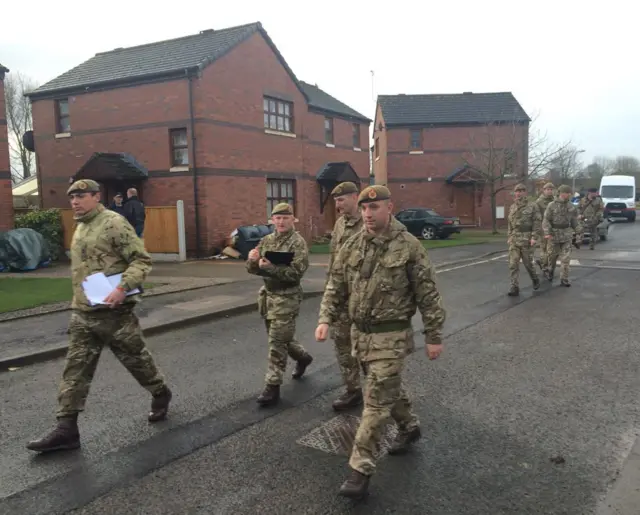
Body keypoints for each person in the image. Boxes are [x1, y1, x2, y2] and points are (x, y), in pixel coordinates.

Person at [315, 185, 446, 499]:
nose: (368, 215)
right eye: (364, 209)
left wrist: (434, 336)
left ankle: (359, 469)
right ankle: (410, 427)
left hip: (392, 335)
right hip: (361, 335)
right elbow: (336, 284)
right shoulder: (353, 244)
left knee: (374, 401)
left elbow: (428, 295)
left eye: (374, 208)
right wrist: (325, 318)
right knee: (386, 387)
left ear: (390, 207)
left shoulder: (409, 247)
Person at [27, 179, 172, 454]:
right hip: (83, 313)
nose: (75, 202)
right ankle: (66, 429)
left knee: (138, 362)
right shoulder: (81, 226)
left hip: (115, 314)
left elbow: (141, 260)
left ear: (96, 196)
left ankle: (160, 392)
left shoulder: (113, 223)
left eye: (81, 196)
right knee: (75, 371)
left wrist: (122, 288)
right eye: (72, 198)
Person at [247, 202, 314, 407]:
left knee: (277, 343)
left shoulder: (297, 243)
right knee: (282, 338)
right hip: (268, 297)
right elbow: (254, 269)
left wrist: (272, 268)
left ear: (293, 219)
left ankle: (272, 387)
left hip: (288, 297)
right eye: (278, 218)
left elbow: (296, 273)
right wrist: (252, 260)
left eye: (286, 217)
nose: (281, 221)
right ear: (272, 220)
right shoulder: (267, 240)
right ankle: (303, 358)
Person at [326, 181, 364, 410]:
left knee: (368, 348)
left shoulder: (368, 222)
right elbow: (333, 259)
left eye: (341, 200)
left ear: (355, 197)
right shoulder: (340, 224)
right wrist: (329, 292)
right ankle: (353, 389)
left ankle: (382, 395)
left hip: (363, 297)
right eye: (336, 201)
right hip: (341, 296)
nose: (338, 205)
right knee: (341, 342)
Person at [542, 184, 582, 286]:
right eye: (566, 193)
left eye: (569, 193)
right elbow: (546, 220)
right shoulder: (551, 205)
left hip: (566, 235)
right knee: (552, 258)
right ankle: (550, 272)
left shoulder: (571, 206)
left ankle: (564, 278)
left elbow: (574, 221)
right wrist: (547, 233)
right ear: (560, 193)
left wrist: (578, 231)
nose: (567, 195)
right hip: (554, 235)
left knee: (566, 258)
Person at [507, 183, 541, 296]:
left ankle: (535, 279)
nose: (519, 193)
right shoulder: (512, 207)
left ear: (525, 192)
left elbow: (537, 222)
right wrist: (509, 236)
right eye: (517, 191)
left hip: (527, 238)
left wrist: (534, 237)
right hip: (515, 239)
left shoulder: (532, 206)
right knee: (513, 264)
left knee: (528, 264)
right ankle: (514, 287)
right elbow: (510, 224)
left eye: (521, 191)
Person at [535, 182, 555, 274]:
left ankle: (546, 264)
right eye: (548, 189)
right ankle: (544, 265)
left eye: (551, 189)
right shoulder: (539, 201)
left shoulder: (555, 200)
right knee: (544, 248)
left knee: (551, 249)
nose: (550, 191)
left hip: (553, 228)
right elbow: (537, 215)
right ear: (544, 190)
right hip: (543, 228)